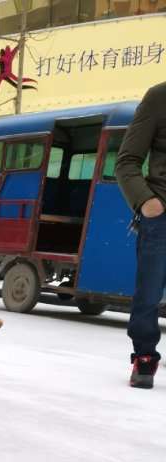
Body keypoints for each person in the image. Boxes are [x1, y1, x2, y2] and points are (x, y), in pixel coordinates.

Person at [116, 81, 166, 389]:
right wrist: (145, 200)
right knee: (149, 293)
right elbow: (127, 160)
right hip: (162, 215)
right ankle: (144, 357)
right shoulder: (159, 97)